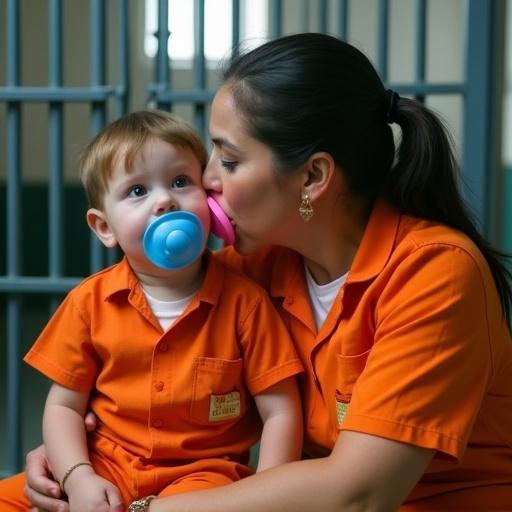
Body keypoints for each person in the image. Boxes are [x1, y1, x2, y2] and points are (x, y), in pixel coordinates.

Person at [20, 32, 512, 511]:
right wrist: (76, 463)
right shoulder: (253, 268)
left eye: (229, 160)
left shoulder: (436, 273)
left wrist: (143, 508)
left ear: (313, 177)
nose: (206, 180)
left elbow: (358, 495)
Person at [0, 110, 304, 512]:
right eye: (137, 191)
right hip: (105, 464)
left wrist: (266, 494)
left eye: (181, 182)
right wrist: (78, 477)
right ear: (104, 227)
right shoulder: (89, 303)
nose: (164, 199)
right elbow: (62, 406)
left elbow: (281, 410)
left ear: (210, 202)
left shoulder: (246, 305)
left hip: (204, 477)